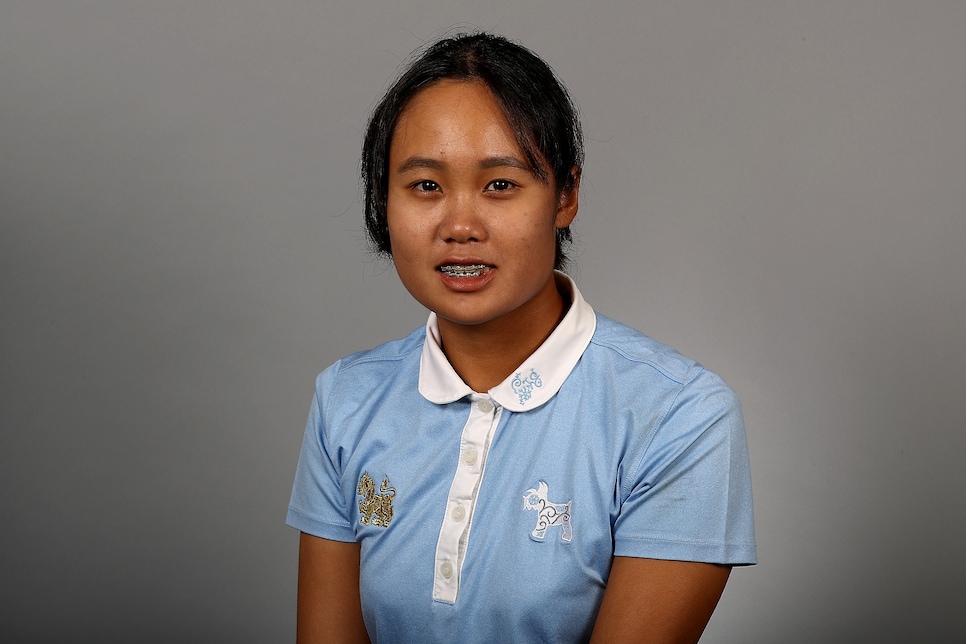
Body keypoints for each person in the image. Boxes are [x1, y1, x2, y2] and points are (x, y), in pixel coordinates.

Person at [287, 32, 756, 643]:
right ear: (384, 199)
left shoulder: (679, 416)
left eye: (500, 185)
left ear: (566, 196)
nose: (459, 225)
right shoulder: (345, 400)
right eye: (426, 185)